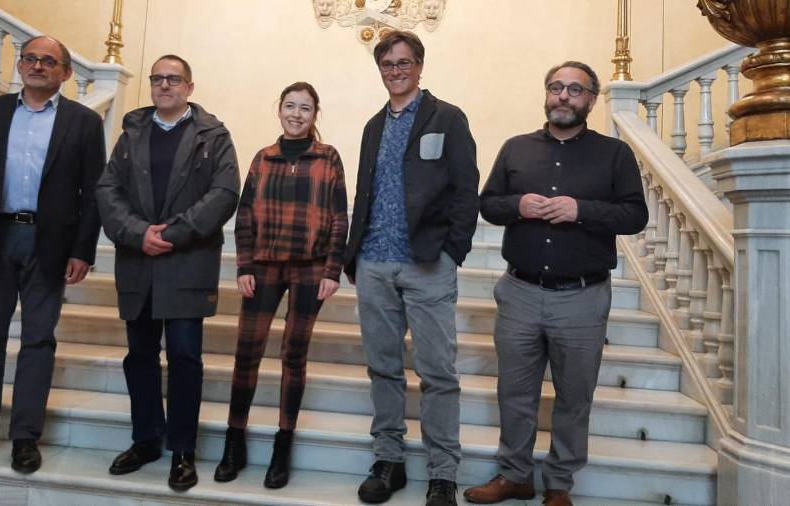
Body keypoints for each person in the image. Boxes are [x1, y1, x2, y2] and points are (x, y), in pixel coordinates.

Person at [463, 61, 648, 506]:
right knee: (515, 392)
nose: (563, 96)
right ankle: (515, 476)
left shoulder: (614, 155)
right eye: (556, 87)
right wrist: (517, 205)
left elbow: (635, 216)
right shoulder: (515, 148)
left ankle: (559, 484)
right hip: (520, 292)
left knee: (573, 396)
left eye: (575, 90)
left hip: (582, 298)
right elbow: (488, 204)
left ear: (591, 99)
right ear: (546, 93)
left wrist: (581, 210)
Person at [0, 35, 105, 474]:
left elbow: (93, 196)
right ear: (19, 65)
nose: (37, 66)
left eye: (48, 61)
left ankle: (25, 437)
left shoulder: (84, 123)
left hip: (49, 245)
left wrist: (82, 250)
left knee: (38, 340)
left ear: (65, 73)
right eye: (30, 58)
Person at [345, 30, 479, 506]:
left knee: (438, 372)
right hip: (374, 263)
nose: (395, 72)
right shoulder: (372, 126)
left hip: (427, 265)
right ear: (380, 69)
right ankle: (389, 460)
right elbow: (366, 191)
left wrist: (452, 252)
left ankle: (443, 473)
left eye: (403, 63)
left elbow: (467, 191)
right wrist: (354, 254)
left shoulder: (448, 117)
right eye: (387, 64)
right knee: (383, 369)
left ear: (419, 66)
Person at [96, 54, 240, 492]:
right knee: (139, 356)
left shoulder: (213, 135)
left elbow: (225, 191)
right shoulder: (132, 132)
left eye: (173, 79)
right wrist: (138, 233)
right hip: (138, 260)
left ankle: (182, 449)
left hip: (186, 261)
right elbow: (108, 189)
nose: (164, 86)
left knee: (184, 358)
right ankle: (146, 440)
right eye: (157, 79)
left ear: (189, 87)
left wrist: (173, 234)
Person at [213, 81, 348, 489]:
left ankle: (281, 445)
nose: (296, 114)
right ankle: (233, 441)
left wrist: (332, 271)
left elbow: (339, 217)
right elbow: (246, 215)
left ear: (314, 115)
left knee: (294, 355)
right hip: (265, 268)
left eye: (305, 109)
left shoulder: (328, 158)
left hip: (309, 270)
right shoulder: (263, 158)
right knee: (246, 354)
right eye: (290, 106)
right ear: (280, 110)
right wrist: (244, 266)